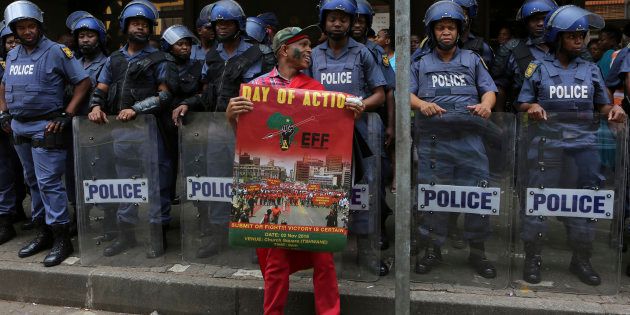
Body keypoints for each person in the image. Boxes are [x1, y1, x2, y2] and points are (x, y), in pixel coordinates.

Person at [226, 24, 342, 315]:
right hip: (275, 180)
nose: (309, 51)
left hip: (305, 185)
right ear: (283, 50)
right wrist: (231, 117)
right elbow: (247, 138)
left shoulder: (316, 90)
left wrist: (346, 111)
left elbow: (328, 133)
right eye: (302, 45)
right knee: (275, 261)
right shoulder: (258, 89)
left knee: (323, 258)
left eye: (309, 46)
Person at [516, 5, 626, 286]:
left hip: (584, 146)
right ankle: (534, 257)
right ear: (557, 38)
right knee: (539, 200)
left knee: (585, 202)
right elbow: (522, 102)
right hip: (547, 144)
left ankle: (581, 258)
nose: (579, 41)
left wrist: (613, 111)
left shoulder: (590, 69)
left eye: (582, 36)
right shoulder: (538, 67)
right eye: (572, 36)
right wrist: (534, 106)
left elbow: (603, 105)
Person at [410, 0, 497, 278]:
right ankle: (432, 250)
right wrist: (420, 104)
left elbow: (489, 90)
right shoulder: (420, 62)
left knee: (477, 196)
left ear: (459, 31)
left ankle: (478, 252)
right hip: (435, 141)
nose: (446, 32)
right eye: (440, 28)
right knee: (433, 196)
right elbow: (405, 94)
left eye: (450, 27)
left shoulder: (473, 59)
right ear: (432, 31)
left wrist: (487, 105)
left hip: (470, 140)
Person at [0, 0, 91, 267]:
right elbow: (3, 85)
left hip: (46, 126)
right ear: (14, 31)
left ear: (39, 26)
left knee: (49, 182)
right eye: (21, 28)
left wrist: (67, 113)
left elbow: (83, 81)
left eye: (31, 26)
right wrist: (4, 112)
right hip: (19, 126)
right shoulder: (14, 54)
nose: (27, 31)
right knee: (32, 182)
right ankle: (44, 232)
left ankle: (62, 237)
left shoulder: (56, 52)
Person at [87, 0, 178, 259]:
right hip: (120, 132)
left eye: (145, 24)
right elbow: (101, 89)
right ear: (125, 26)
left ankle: (157, 237)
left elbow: (164, 95)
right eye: (135, 23)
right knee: (125, 184)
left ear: (151, 28)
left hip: (150, 130)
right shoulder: (114, 59)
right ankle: (126, 236)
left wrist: (137, 108)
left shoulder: (161, 58)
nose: (140, 27)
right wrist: (95, 106)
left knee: (155, 184)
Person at [308, 0, 389, 276]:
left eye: (343, 19)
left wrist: (361, 106)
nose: (338, 24)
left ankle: (367, 253)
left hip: (360, 133)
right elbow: (299, 93)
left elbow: (380, 93)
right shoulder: (314, 55)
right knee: (324, 192)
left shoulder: (363, 53)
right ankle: (323, 256)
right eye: (332, 19)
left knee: (363, 191)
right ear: (324, 21)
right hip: (323, 135)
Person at [190, 0, 275, 259]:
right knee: (218, 181)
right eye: (217, 24)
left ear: (238, 24)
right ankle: (217, 234)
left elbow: (272, 91)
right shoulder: (212, 55)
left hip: (250, 129)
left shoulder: (260, 52)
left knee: (251, 183)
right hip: (217, 127)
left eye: (227, 23)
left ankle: (253, 238)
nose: (222, 28)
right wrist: (185, 104)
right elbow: (204, 90)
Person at [351, 0, 396, 251]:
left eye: (361, 20)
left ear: (368, 23)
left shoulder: (376, 51)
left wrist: (390, 126)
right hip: (337, 124)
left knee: (374, 179)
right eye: (353, 19)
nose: (357, 24)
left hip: (369, 122)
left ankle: (377, 229)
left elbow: (388, 92)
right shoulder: (326, 50)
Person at [160, 24, 205, 211]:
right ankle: (165, 209)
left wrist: (188, 103)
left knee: (194, 165)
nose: (185, 47)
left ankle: (198, 210)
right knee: (166, 165)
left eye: (187, 44)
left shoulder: (198, 66)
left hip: (191, 121)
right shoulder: (162, 65)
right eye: (179, 44)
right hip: (165, 122)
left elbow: (204, 93)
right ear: (169, 46)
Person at [492, 0, 558, 113]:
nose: (541, 23)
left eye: (544, 18)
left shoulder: (566, 48)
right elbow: (500, 86)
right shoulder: (512, 49)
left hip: (561, 117)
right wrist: (500, 120)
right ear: (526, 23)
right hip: (523, 118)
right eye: (534, 19)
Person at [0, 19, 29, 231]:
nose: (13, 45)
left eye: (15, 41)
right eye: (9, 41)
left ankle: (12, 212)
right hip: (5, 122)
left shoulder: (20, 63)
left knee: (18, 170)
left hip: (15, 123)